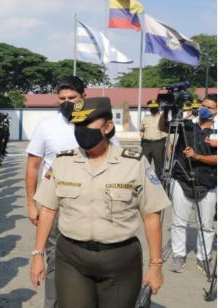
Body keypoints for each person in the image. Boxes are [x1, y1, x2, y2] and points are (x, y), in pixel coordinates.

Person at [30, 97, 170, 308]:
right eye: (77, 125)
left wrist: (155, 265)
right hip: (72, 259)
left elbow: (151, 216)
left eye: (87, 124)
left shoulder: (134, 163)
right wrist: (38, 255)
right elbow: (48, 210)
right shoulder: (63, 162)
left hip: (120, 261)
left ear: (108, 126)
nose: (81, 130)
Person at [24, 75, 86, 308]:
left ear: (83, 97)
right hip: (56, 206)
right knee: (53, 261)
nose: (67, 102)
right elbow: (32, 167)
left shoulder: (96, 124)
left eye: (72, 97)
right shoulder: (47, 127)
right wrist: (31, 204)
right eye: (62, 98)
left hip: (90, 206)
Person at [164, 94, 217, 273]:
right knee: (179, 222)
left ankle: (204, 257)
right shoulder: (187, 125)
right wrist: (170, 109)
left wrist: (198, 157)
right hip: (182, 179)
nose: (205, 109)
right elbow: (164, 127)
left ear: (216, 111)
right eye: (204, 105)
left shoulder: (216, 131)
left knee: (207, 225)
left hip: (208, 183)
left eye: (210, 107)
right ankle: (179, 256)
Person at [140, 99, 167, 179]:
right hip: (146, 144)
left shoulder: (162, 118)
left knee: (159, 166)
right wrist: (142, 140)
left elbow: (166, 132)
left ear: (158, 107)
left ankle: (158, 184)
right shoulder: (146, 118)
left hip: (158, 144)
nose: (153, 109)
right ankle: (146, 182)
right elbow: (141, 130)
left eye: (154, 107)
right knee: (144, 165)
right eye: (151, 107)